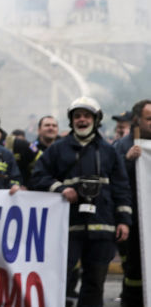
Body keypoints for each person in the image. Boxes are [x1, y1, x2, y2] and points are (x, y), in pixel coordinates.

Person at [29, 96, 132, 306]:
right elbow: (37, 177)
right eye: (77, 116)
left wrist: (123, 220)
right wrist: (61, 188)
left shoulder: (109, 151)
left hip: (103, 228)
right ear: (71, 120)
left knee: (94, 284)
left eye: (86, 116)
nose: (82, 120)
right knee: (59, 281)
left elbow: (121, 187)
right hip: (67, 229)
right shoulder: (57, 150)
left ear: (96, 120)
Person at [113, 99, 151, 306]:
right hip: (134, 222)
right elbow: (113, 182)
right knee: (134, 271)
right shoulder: (121, 147)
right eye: (149, 118)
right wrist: (127, 161)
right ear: (137, 120)